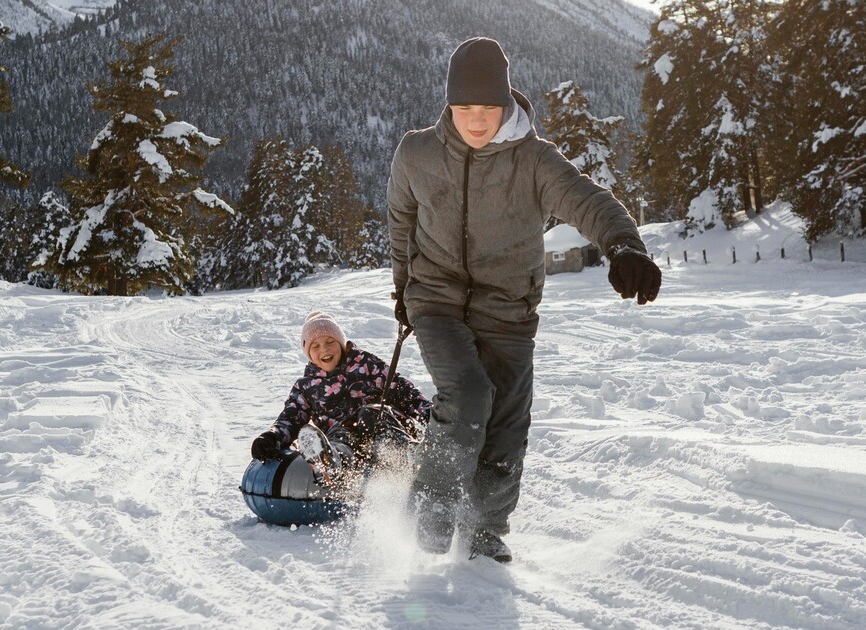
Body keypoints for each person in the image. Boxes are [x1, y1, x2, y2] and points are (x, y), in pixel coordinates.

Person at [387, 37, 661, 563]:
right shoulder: (416, 153)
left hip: (509, 309)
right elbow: (402, 223)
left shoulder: (533, 160)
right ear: (449, 104)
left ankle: (485, 530)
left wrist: (623, 244)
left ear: (505, 102)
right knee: (467, 395)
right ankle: (433, 510)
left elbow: (587, 199)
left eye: (487, 107)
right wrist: (403, 289)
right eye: (464, 107)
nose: (475, 119)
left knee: (507, 426)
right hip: (437, 301)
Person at [250, 311, 431, 483]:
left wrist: (430, 413)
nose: (325, 349)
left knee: (371, 414)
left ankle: (406, 453)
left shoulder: (364, 363)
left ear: (342, 343)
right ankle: (333, 463)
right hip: (349, 442)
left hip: (381, 425)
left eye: (330, 341)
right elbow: (290, 418)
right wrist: (271, 438)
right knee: (339, 435)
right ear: (308, 353)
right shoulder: (305, 386)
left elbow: (400, 388)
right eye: (316, 346)